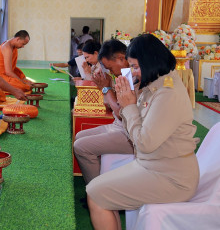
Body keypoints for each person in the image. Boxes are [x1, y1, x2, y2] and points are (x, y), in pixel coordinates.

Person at [87, 34, 199, 230]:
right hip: (153, 164)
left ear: (151, 61)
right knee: (97, 190)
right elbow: (136, 132)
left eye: (136, 67)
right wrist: (127, 103)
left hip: (172, 177)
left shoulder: (167, 93)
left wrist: (128, 106)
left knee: (96, 195)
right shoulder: (156, 84)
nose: (133, 72)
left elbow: (144, 143)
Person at [74, 39, 134, 185]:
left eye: (110, 67)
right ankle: (100, 180)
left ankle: (97, 192)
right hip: (118, 124)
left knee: (80, 146)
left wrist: (106, 89)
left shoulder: (130, 75)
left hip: (129, 131)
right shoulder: (123, 73)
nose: (111, 71)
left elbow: (123, 112)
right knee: (79, 136)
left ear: (121, 58)